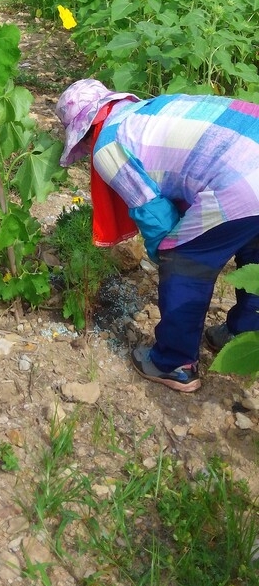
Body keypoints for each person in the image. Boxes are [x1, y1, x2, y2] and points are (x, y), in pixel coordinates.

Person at [55, 79, 259, 393]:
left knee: (183, 259)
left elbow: (155, 214)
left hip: (243, 180)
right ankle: (245, 333)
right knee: (254, 247)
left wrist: (165, 257)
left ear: (84, 133)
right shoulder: (150, 110)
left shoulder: (109, 145)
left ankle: (173, 363)